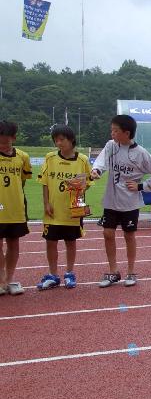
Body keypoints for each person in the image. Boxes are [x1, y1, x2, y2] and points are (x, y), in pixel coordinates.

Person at [91, 115, 151, 288]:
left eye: (115, 131)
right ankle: (113, 271)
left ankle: (131, 272)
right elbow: (101, 162)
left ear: (127, 133)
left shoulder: (140, 153)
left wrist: (141, 186)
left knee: (128, 235)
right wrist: (96, 171)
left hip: (130, 203)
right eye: (112, 130)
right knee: (107, 233)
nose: (112, 133)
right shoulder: (111, 146)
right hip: (111, 201)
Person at [36, 125, 92, 290]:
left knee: (70, 241)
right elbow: (45, 183)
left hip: (73, 209)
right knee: (51, 242)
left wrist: (79, 186)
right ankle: (53, 275)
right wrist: (46, 203)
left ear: (71, 140)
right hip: (53, 209)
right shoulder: (50, 158)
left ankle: (69, 273)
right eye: (56, 140)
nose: (58, 143)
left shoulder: (82, 159)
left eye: (62, 139)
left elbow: (87, 183)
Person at [0, 120, 32, 296]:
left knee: (13, 243)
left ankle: (10, 279)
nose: (3, 145)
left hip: (16, 207)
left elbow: (22, 181)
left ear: (13, 138)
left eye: (6, 141)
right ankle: (1, 279)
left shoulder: (23, 157)